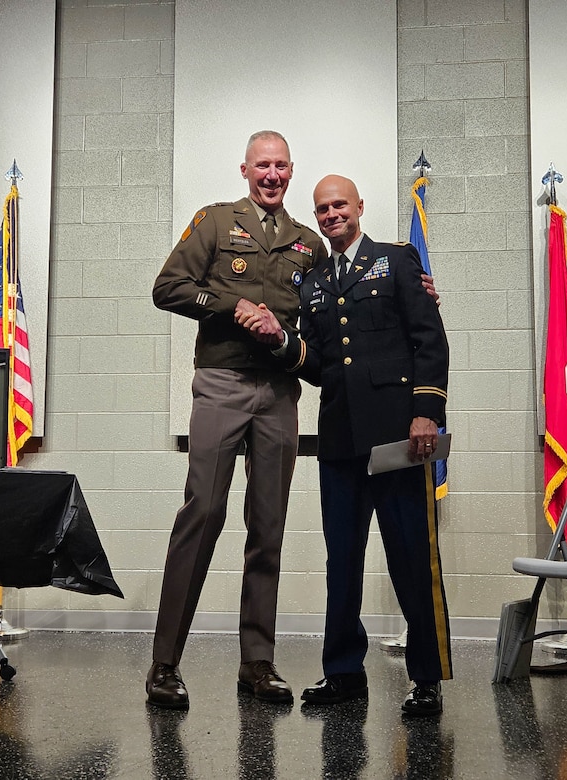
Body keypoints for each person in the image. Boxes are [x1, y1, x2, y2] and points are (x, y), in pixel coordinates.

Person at [236, 174, 452, 717]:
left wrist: (426, 412)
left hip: (397, 438)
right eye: (323, 208)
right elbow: (320, 365)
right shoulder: (312, 281)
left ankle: (426, 678)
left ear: (360, 206)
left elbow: (430, 338)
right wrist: (280, 340)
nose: (332, 214)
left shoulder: (397, 262)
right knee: (343, 563)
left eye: (340, 205)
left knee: (410, 559)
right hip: (338, 441)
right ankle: (344, 673)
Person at [146, 131, 329, 709]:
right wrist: (233, 305)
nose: (271, 175)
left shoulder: (309, 245)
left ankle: (257, 663)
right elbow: (168, 287)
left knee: (268, 526)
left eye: (280, 166)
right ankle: (164, 665)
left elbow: (326, 326)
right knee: (202, 512)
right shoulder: (217, 222)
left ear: (291, 171)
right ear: (245, 169)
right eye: (262, 166)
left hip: (279, 392)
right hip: (222, 386)